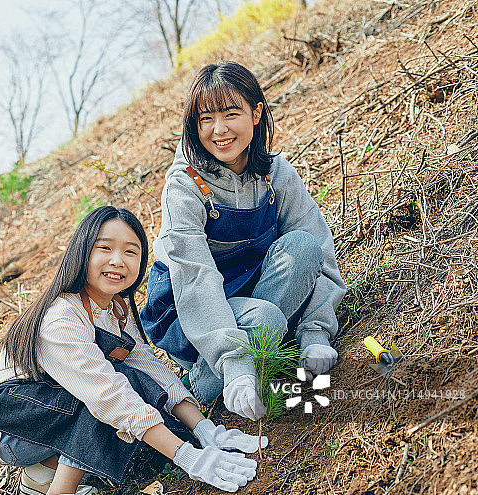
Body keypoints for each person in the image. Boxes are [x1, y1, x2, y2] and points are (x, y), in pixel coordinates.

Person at [0, 206, 266, 495]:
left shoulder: (114, 309)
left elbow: (148, 365)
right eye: (105, 248)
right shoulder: (60, 318)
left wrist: (204, 429)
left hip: (57, 412)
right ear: (81, 252)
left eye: (131, 252)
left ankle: (43, 473)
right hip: (16, 423)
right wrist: (189, 458)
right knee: (120, 394)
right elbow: (109, 395)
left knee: (153, 429)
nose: (118, 260)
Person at [141, 62, 347, 422]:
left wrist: (316, 331)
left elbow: (320, 251)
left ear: (256, 113)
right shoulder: (183, 186)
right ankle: (204, 381)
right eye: (205, 119)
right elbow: (195, 281)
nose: (218, 130)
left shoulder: (275, 173)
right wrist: (235, 362)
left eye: (231, 114)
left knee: (302, 246)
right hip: (193, 311)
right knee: (265, 319)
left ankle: (271, 345)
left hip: (255, 288)